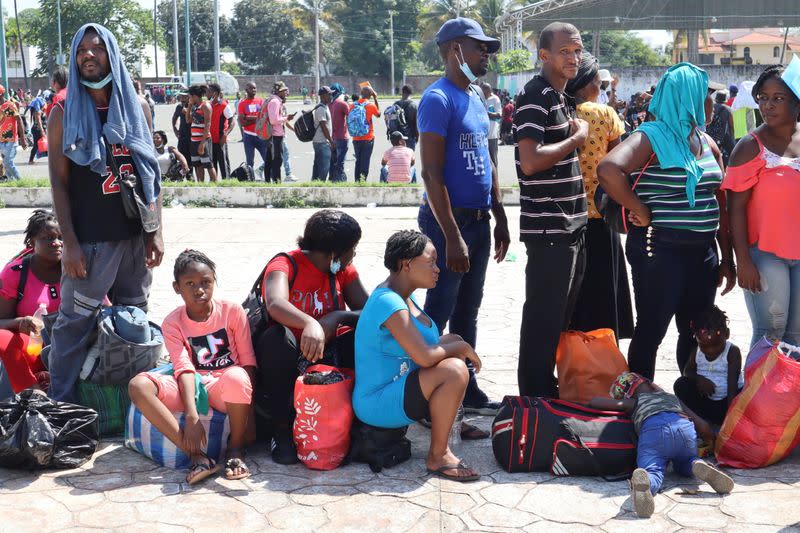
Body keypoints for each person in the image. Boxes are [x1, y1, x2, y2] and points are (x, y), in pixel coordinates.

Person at [46, 23, 164, 402]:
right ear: (74, 57)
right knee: (73, 326)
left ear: (111, 54)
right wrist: (71, 244)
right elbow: (59, 186)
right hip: (92, 242)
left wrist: (155, 230)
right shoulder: (63, 112)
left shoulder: (137, 106)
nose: (89, 55)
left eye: (97, 48)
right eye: (82, 49)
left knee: (134, 325)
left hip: (133, 238)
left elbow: (150, 175)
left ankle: (133, 406)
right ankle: (63, 408)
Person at [597, 63, 736, 381]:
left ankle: (688, 402)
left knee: (696, 329)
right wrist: (639, 208)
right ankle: (641, 404)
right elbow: (608, 170)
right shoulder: (652, 136)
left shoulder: (705, 142)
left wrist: (726, 259)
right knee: (652, 330)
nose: (712, 103)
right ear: (686, 99)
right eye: (706, 96)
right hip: (660, 250)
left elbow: (720, 202)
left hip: (702, 252)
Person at [417, 17, 510, 417]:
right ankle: (422, 390)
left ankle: (466, 387)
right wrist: (451, 237)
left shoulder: (473, 95)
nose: (486, 53)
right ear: (456, 50)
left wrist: (500, 213)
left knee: (468, 309)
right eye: (479, 46)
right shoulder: (437, 100)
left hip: (478, 222)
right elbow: (432, 174)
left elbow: (486, 161)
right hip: (447, 224)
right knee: (439, 308)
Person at [353, 230, 482, 482]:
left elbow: (429, 344)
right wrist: (462, 347)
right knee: (454, 369)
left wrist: (456, 341)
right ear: (406, 264)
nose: (438, 268)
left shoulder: (405, 295)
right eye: (431, 261)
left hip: (397, 388)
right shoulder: (388, 302)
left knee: (453, 350)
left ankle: (445, 422)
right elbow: (424, 356)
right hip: (376, 402)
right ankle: (438, 456)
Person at [128, 250, 255, 484]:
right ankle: (197, 457)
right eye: (190, 284)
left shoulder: (232, 311)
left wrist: (250, 416)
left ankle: (235, 451)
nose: (199, 290)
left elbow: (247, 363)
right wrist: (192, 416)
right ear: (177, 288)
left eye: (206, 282)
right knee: (139, 386)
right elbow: (184, 369)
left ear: (214, 282)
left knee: (237, 377)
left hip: (223, 387)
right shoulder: (172, 322)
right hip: (189, 385)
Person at [254, 210, 368, 464]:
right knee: (277, 338)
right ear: (334, 253)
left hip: (327, 358)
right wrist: (310, 323)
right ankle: (281, 429)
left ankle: (355, 421)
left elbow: (369, 311)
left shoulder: (342, 270)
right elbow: (274, 302)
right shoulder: (286, 263)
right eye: (352, 248)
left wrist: (337, 316)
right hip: (287, 359)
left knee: (361, 336)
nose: (354, 254)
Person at [514, 22, 589, 398]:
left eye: (577, 50)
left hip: (569, 226)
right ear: (544, 55)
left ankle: (547, 392)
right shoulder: (535, 96)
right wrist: (577, 138)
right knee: (543, 319)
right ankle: (534, 400)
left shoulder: (559, 96)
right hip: (550, 230)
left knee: (558, 317)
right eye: (565, 51)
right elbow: (529, 161)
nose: (574, 58)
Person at [722, 64, 800, 349]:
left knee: (797, 338)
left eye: (778, 98)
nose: (768, 105)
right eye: (763, 97)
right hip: (764, 255)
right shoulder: (750, 146)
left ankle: (789, 395)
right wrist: (742, 260)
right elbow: (735, 209)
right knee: (771, 331)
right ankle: (757, 394)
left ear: (796, 101)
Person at [590, 372, 734, 518]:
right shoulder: (671, 398)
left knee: (653, 470)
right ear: (649, 384)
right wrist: (711, 439)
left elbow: (595, 402)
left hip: (654, 431)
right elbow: (703, 426)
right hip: (684, 428)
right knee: (686, 461)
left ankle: (647, 482)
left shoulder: (634, 401)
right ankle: (696, 464)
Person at [564, 52, 634, 342]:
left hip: (568, 216)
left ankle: (573, 361)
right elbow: (619, 161)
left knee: (574, 296)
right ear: (588, 83)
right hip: (601, 214)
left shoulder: (562, 111)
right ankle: (603, 357)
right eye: (599, 83)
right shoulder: (604, 114)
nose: (601, 89)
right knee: (605, 293)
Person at [0, 210, 62, 393]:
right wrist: (19, 322)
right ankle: (34, 396)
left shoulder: (75, 268)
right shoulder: (15, 273)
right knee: (3, 337)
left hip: (71, 350)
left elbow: (103, 309)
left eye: (61, 237)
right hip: (32, 352)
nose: (57, 243)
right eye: (48, 238)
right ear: (31, 242)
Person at [673, 306, 743, 426]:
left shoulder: (732, 352)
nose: (710, 351)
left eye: (715, 346)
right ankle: (699, 421)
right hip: (706, 402)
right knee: (681, 384)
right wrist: (700, 379)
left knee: (743, 394)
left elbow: (732, 387)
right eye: (704, 347)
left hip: (726, 402)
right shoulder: (697, 351)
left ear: (726, 334)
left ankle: (725, 420)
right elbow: (687, 371)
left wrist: (730, 420)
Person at [185, 85, 217, 182]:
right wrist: (189, 105)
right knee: (198, 165)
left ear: (194, 96)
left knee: (208, 164)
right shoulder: (195, 107)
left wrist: (202, 143)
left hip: (203, 140)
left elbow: (208, 124)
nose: (189, 98)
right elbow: (187, 120)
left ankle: (215, 185)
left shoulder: (205, 106)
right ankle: (200, 185)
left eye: (190, 96)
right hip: (194, 140)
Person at [266, 81, 296, 183]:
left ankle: (269, 181)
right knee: (276, 160)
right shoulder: (275, 102)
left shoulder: (276, 101)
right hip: (275, 135)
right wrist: (287, 118)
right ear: (279, 91)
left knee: (271, 159)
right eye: (284, 91)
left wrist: (286, 118)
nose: (286, 93)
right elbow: (273, 120)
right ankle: (276, 182)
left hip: (275, 135)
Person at [350, 85, 381, 181]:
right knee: (365, 161)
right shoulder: (370, 105)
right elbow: (378, 114)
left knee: (358, 161)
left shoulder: (353, 105)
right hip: (368, 138)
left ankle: (357, 181)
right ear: (370, 94)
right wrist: (375, 98)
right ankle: (362, 181)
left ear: (361, 94)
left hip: (355, 137)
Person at [237, 82, 269, 173]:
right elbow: (242, 123)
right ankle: (251, 179)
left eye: (255, 88)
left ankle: (268, 179)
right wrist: (257, 118)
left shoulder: (261, 101)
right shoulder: (242, 104)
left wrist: (248, 117)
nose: (254, 90)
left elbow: (264, 117)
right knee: (250, 161)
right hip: (248, 136)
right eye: (251, 88)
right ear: (246, 90)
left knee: (267, 158)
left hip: (261, 135)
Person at [207, 83, 235, 180]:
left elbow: (232, 121)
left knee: (223, 163)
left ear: (214, 93)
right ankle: (214, 183)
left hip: (220, 141)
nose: (206, 93)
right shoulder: (208, 105)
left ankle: (226, 182)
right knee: (212, 165)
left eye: (208, 91)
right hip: (210, 141)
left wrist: (225, 135)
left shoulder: (223, 105)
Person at [0, 85, 27, 179]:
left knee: (7, 162)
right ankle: (12, 182)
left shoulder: (9, 105)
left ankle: (20, 181)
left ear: (1, 95)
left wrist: (23, 139)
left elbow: (19, 120)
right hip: (1, 141)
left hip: (11, 139)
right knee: (4, 164)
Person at [311, 86, 335, 182]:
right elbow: (323, 127)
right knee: (324, 167)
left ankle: (315, 185)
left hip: (320, 141)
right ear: (324, 96)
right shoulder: (321, 109)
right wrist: (331, 141)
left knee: (318, 165)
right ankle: (321, 186)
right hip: (322, 142)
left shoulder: (324, 107)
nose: (331, 96)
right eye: (329, 94)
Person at [327, 83, 350, 182]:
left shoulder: (328, 104)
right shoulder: (342, 104)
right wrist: (347, 101)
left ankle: (332, 178)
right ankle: (339, 180)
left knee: (332, 160)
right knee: (340, 161)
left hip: (332, 137)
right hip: (342, 136)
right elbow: (351, 116)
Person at [706, 91, 735, 166]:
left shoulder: (712, 106)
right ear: (725, 100)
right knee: (733, 152)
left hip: (710, 135)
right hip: (722, 136)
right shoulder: (728, 109)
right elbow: (731, 126)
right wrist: (732, 138)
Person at [480, 82, 502, 167]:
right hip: (482, 135)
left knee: (493, 159)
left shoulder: (495, 99)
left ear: (490, 91)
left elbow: (499, 115)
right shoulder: (480, 98)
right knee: (483, 159)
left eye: (486, 92)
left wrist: (486, 113)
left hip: (492, 135)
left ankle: (495, 178)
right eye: (483, 93)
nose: (484, 95)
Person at [172, 91, 192, 175]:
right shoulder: (179, 107)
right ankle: (181, 176)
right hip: (182, 136)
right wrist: (175, 130)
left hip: (192, 137)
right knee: (181, 158)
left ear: (189, 97)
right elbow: (174, 118)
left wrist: (188, 112)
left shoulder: (193, 106)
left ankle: (190, 176)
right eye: (181, 97)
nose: (182, 99)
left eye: (185, 97)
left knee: (191, 159)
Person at [393, 85, 418, 151]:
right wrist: (417, 136)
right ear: (411, 93)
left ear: (402, 92)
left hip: (396, 136)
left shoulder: (395, 104)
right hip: (409, 136)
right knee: (409, 158)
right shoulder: (414, 106)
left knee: (398, 157)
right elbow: (416, 124)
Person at [28, 91, 45, 164]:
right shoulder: (38, 111)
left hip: (35, 129)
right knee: (37, 145)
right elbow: (39, 121)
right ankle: (31, 160)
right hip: (37, 129)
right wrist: (42, 131)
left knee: (36, 145)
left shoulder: (35, 110)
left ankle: (31, 160)